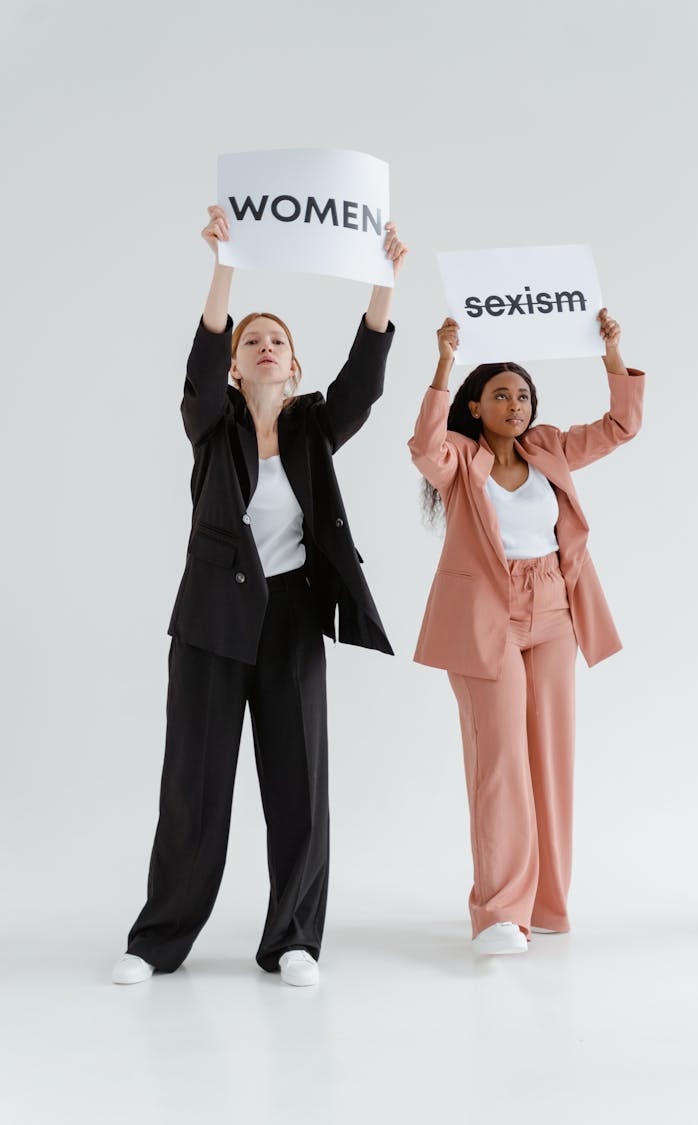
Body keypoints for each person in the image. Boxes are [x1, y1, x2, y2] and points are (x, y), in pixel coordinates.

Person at [113, 205, 407, 986]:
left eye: (277, 338)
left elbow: (365, 382)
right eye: (252, 340)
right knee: (195, 786)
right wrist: (226, 266)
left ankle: (295, 940)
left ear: (294, 364)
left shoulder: (315, 427)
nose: (265, 345)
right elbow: (200, 368)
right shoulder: (211, 426)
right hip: (212, 623)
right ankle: (157, 941)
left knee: (299, 785)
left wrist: (383, 282)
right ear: (238, 366)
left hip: (291, 620)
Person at [408, 311, 643, 955]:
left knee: (550, 755)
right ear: (476, 407)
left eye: (524, 395)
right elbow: (425, 447)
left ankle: (546, 905)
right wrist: (443, 363)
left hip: (555, 609)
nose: (516, 404)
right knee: (500, 760)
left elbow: (623, 425)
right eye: (502, 395)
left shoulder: (550, 448)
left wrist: (613, 353)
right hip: (487, 615)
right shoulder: (461, 459)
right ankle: (498, 913)